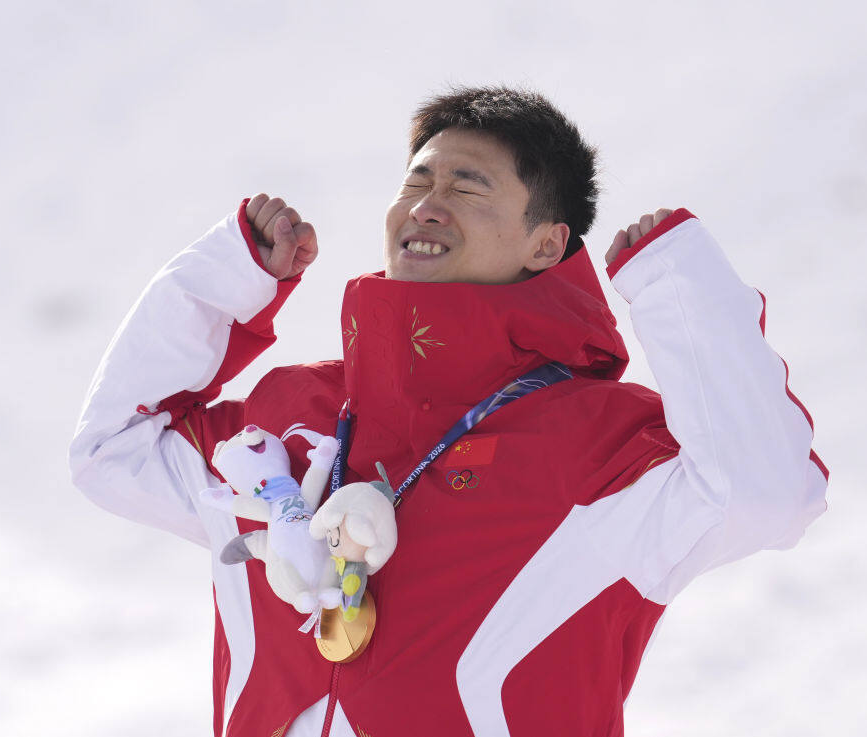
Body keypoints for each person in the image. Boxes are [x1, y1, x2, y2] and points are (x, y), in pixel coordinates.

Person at [69, 86, 828, 737]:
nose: (427, 206)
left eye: (468, 187)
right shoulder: (294, 412)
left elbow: (766, 493)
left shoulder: (598, 446)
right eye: (417, 181)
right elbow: (112, 452)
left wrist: (679, 290)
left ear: (545, 244)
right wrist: (224, 281)